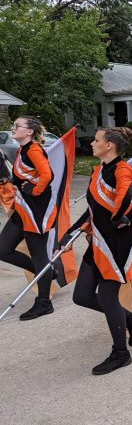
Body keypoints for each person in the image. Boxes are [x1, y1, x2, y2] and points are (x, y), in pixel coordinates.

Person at [63, 127, 132, 374]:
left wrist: (118, 216)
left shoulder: (123, 170)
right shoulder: (99, 171)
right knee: (82, 295)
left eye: (97, 140)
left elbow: (125, 196)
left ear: (109, 145)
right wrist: (72, 231)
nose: (92, 143)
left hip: (117, 245)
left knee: (107, 296)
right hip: (98, 243)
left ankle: (121, 354)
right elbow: (93, 209)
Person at [0, 116, 57, 320]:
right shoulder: (23, 150)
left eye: (17, 126)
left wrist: (35, 190)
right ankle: (47, 271)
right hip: (22, 209)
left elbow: (47, 175)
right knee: (3, 249)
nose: (13, 128)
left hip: (36, 211)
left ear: (29, 132)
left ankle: (44, 303)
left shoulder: (33, 149)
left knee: (39, 254)